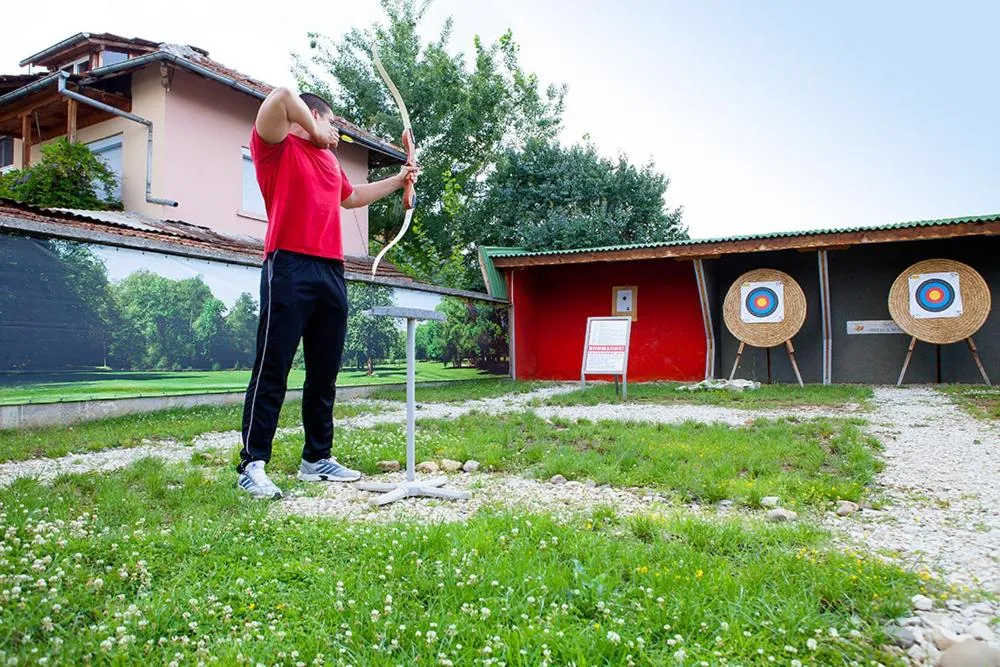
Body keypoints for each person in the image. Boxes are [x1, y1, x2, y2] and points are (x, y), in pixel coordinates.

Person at [236, 88, 417, 499]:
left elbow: (351, 198)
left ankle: (316, 459)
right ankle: (252, 464)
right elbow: (282, 96)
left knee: (324, 372)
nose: (335, 129)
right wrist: (317, 132)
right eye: (331, 121)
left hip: (330, 270)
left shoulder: (328, 160)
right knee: (272, 367)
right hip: (288, 266)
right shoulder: (275, 145)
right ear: (313, 116)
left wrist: (399, 179)